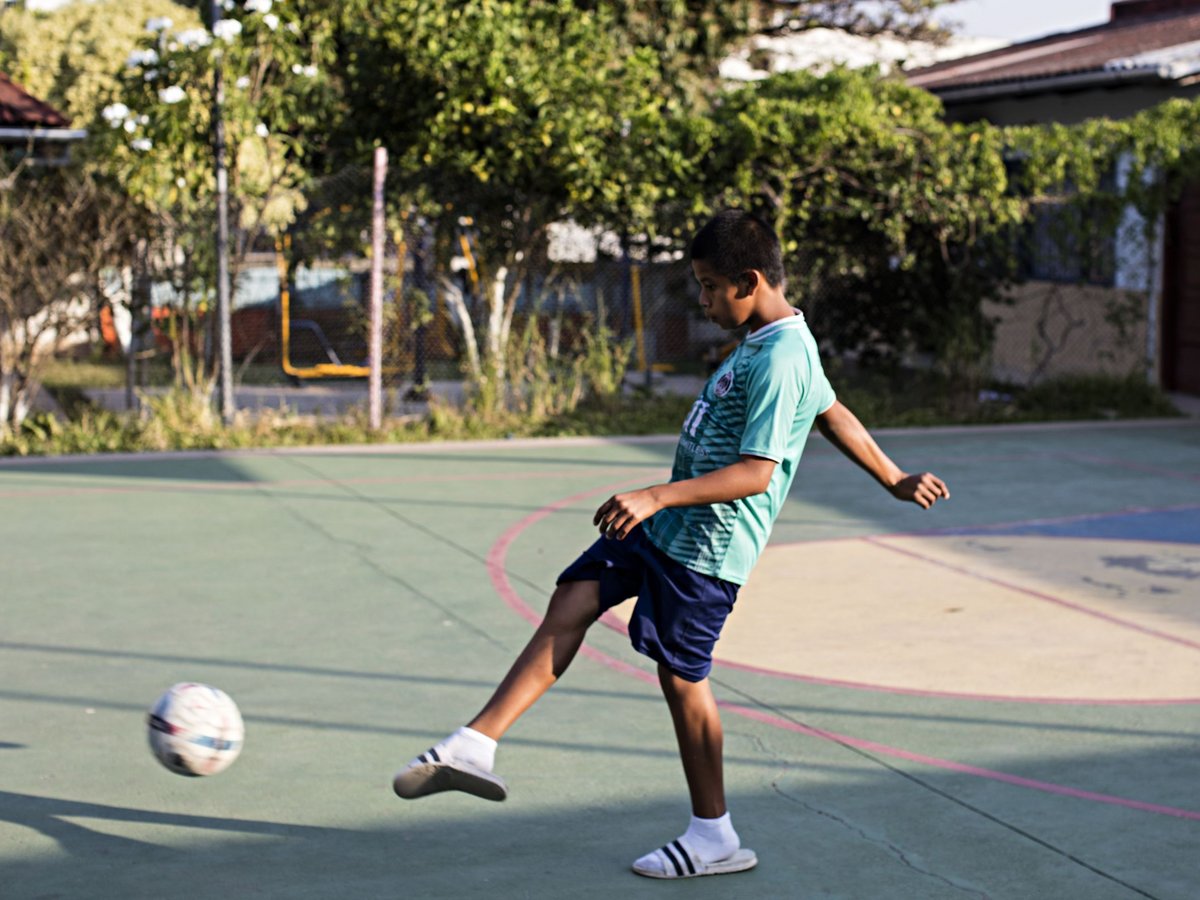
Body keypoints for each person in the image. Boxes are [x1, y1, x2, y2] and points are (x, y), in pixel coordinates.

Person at [393, 209, 950, 880]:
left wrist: (655, 495)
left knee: (684, 680)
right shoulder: (769, 334)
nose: (705, 301)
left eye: (712, 287)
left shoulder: (780, 356)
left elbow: (757, 472)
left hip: (707, 550)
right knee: (575, 594)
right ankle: (475, 743)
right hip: (670, 527)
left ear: (749, 281)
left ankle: (714, 835)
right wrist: (893, 476)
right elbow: (832, 409)